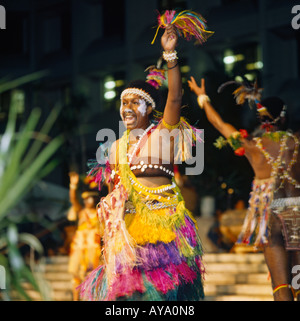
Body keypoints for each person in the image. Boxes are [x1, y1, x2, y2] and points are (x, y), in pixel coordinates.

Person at [79, 25, 205, 301]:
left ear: (149, 108)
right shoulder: (116, 147)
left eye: (135, 102)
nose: (126, 108)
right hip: (129, 232)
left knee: (163, 298)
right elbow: (115, 192)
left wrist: (170, 54)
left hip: (164, 228)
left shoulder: (163, 133)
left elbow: (175, 96)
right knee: (128, 300)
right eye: (124, 102)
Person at [188, 76, 300, 301]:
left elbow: (220, 124)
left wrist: (202, 97)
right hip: (296, 213)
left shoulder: (251, 146)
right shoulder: (296, 142)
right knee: (298, 279)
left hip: (270, 216)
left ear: (261, 120)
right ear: (284, 117)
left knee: (281, 285)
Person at [67, 172, 103, 301]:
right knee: (76, 276)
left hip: (93, 248)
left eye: (91, 198)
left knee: (93, 275)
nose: (89, 201)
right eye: (86, 199)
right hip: (80, 247)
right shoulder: (81, 212)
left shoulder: (100, 213)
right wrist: (73, 185)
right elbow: (73, 200)